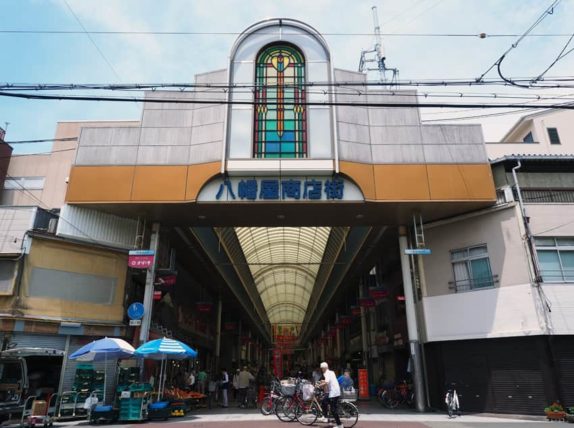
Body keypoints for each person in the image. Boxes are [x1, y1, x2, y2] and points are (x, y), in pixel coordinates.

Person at [317, 362, 342, 428]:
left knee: (333, 410)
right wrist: (321, 382)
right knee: (324, 401)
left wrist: (319, 386)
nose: (321, 370)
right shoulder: (331, 372)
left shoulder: (326, 373)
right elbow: (328, 381)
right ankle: (325, 416)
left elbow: (327, 382)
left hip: (333, 393)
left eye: (322, 368)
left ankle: (340, 425)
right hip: (335, 391)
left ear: (324, 368)